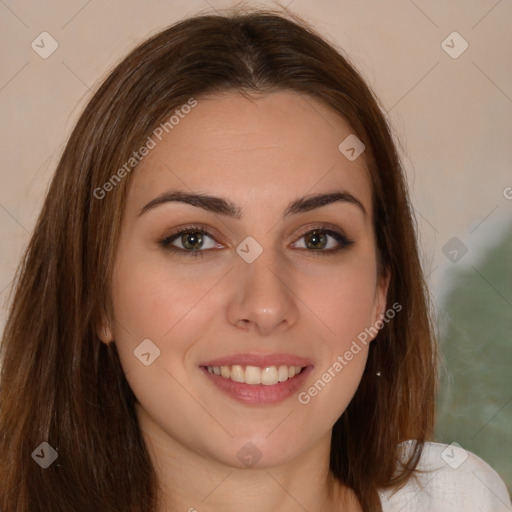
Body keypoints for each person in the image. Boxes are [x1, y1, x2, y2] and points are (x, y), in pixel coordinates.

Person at [0, 6, 509, 512]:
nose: (265, 306)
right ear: (95, 295)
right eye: (194, 240)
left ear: (382, 292)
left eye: (317, 240)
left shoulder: (459, 498)